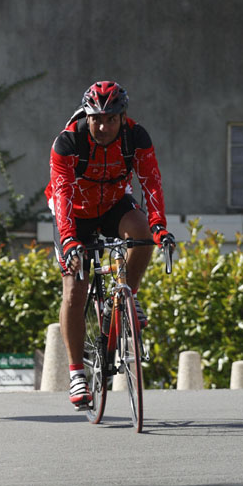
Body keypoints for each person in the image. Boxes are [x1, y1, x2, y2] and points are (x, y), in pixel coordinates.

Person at [45, 81, 174, 409]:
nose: (103, 127)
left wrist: (160, 228)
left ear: (123, 117)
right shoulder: (68, 142)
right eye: (96, 119)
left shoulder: (136, 138)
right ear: (86, 116)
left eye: (111, 119)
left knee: (142, 232)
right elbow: (61, 192)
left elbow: (151, 181)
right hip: (74, 211)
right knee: (75, 289)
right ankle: (76, 372)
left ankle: (127, 296)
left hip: (115, 202)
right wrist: (70, 238)